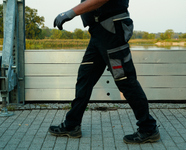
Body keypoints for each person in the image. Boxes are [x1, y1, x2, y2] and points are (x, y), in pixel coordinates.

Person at [48, 0, 160, 144]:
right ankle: (72, 125)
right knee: (85, 78)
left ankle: (148, 128)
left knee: (125, 80)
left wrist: (70, 13)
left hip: (111, 30)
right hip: (98, 33)